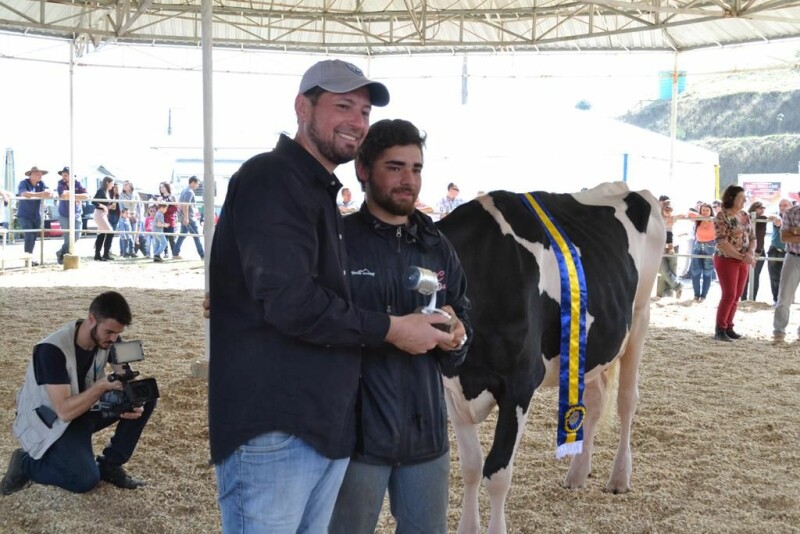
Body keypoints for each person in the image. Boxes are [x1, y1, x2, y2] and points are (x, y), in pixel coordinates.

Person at [208, 59, 453, 533]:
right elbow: (291, 301)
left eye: (363, 111)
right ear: (303, 107)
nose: (357, 121)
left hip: (322, 427)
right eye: (343, 106)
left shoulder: (317, 191)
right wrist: (393, 329)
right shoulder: (272, 178)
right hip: (275, 426)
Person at [328, 119, 471, 534]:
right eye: (395, 167)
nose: (409, 179)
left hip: (426, 437)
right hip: (355, 440)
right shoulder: (337, 243)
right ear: (362, 169)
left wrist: (457, 337)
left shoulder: (436, 245)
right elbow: (317, 326)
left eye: (416, 168)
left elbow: (462, 327)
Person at [0, 291, 156, 496]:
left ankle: (110, 465)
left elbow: (124, 375)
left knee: (146, 394)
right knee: (84, 480)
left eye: (118, 333)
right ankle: (25, 464)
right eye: (109, 332)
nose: (114, 338)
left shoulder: (109, 339)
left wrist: (132, 401)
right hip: (50, 422)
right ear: (91, 319)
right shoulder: (51, 350)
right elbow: (63, 411)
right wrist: (101, 386)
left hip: (84, 410)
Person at [713, 185, 756, 342]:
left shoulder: (744, 215)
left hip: (742, 259)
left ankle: (729, 326)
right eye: (741, 197)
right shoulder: (721, 216)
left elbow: (753, 237)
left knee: (736, 295)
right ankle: (720, 329)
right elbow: (721, 242)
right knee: (729, 294)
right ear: (731, 198)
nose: (745, 200)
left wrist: (749, 253)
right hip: (726, 259)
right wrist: (741, 256)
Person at [772, 197, 800, 341]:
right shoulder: (791, 212)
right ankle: (779, 330)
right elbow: (784, 237)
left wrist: (796, 232)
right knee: (784, 296)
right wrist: (792, 233)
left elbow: (790, 235)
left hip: (794, 254)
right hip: (793, 257)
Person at [16, 166, 52, 262]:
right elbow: (24, 194)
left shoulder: (42, 184)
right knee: (29, 236)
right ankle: (27, 260)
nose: (40, 176)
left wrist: (49, 193)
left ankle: (29, 258)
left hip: (37, 215)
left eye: (41, 174)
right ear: (31, 175)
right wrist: (41, 194)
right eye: (37, 174)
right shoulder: (23, 183)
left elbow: (48, 192)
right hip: (24, 215)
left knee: (34, 237)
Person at [55, 167, 89, 265]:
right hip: (64, 213)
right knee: (67, 237)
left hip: (76, 213)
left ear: (71, 175)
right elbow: (63, 195)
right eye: (63, 175)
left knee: (77, 235)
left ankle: (60, 252)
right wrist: (77, 196)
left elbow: (86, 195)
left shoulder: (78, 183)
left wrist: (72, 196)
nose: (63, 177)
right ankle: (64, 257)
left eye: (66, 175)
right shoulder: (60, 183)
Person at [741, 201, 774, 301]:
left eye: (763, 208)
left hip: (759, 250)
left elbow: (769, 217)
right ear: (753, 208)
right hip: (746, 250)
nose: (762, 210)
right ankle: (743, 298)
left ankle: (752, 299)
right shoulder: (746, 218)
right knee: (745, 276)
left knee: (755, 276)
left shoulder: (763, 218)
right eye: (759, 207)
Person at [658, 197, 684, 298]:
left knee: (672, 270)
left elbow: (687, 214)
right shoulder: (657, 217)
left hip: (674, 244)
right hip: (659, 246)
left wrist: (676, 216)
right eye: (666, 207)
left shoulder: (673, 217)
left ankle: (668, 294)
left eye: (670, 208)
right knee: (663, 270)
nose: (668, 209)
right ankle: (678, 286)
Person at [689, 202, 715, 302]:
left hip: (710, 246)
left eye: (707, 210)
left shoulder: (714, 220)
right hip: (698, 245)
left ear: (710, 211)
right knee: (695, 271)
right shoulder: (698, 220)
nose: (705, 212)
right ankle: (696, 294)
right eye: (703, 210)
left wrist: (705, 218)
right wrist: (701, 216)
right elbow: (689, 213)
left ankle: (703, 295)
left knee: (707, 272)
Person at [174, 176, 204, 260]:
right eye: (197, 184)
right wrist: (186, 218)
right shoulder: (189, 191)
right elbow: (185, 205)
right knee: (196, 237)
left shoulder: (184, 190)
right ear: (193, 182)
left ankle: (175, 253)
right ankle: (203, 255)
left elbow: (180, 205)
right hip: (190, 218)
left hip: (186, 217)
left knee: (182, 236)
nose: (198, 186)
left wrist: (183, 217)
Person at [768, 199, 791, 305]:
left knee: (789, 278)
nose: (782, 207)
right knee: (774, 277)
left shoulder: (795, 216)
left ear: (791, 206)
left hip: (791, 251)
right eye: (780, 205)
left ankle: (786, 300)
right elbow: (770, 215)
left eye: (785, 205)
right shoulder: (777, 215)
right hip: (775, 249)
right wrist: (776, 217)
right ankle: (776, 300)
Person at [92, 176, 116, 261]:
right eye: (112, 183)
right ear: (107, 182)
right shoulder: (101, 190)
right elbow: (94, 201)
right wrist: (104, 207)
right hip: (99, 214)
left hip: (103, 214)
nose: (112, 185)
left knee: (101, 234)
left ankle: (98, 254)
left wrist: (108, 207)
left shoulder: (107, 192)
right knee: (110, 232)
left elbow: (104, 204)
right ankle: (105, 254)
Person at [119, 181, 143, 257]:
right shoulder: (121, 195)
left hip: (134, 216)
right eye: (123, 185)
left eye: (126, 185)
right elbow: (121, 207)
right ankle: (123, 251)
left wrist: (139, 215)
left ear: (130, 185)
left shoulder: (135, 194)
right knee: (124, 234)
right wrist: (125, 215)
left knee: (133, 234)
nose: (124, 186)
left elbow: (139, 206)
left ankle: (132, 251)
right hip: (125, 217)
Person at [157, 182, 179, 259]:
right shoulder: (160, 198)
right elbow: (158, 210)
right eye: (160, 187)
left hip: (170, 220)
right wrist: (158, 203)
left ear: (167, 187)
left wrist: (165, 210)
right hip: (162, 220)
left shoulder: (172, 196)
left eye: (163, 187)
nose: (161, 189)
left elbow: (176, 208)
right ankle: (165, 253)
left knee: (171, 238)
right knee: (164, 238)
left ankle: (174, 253)